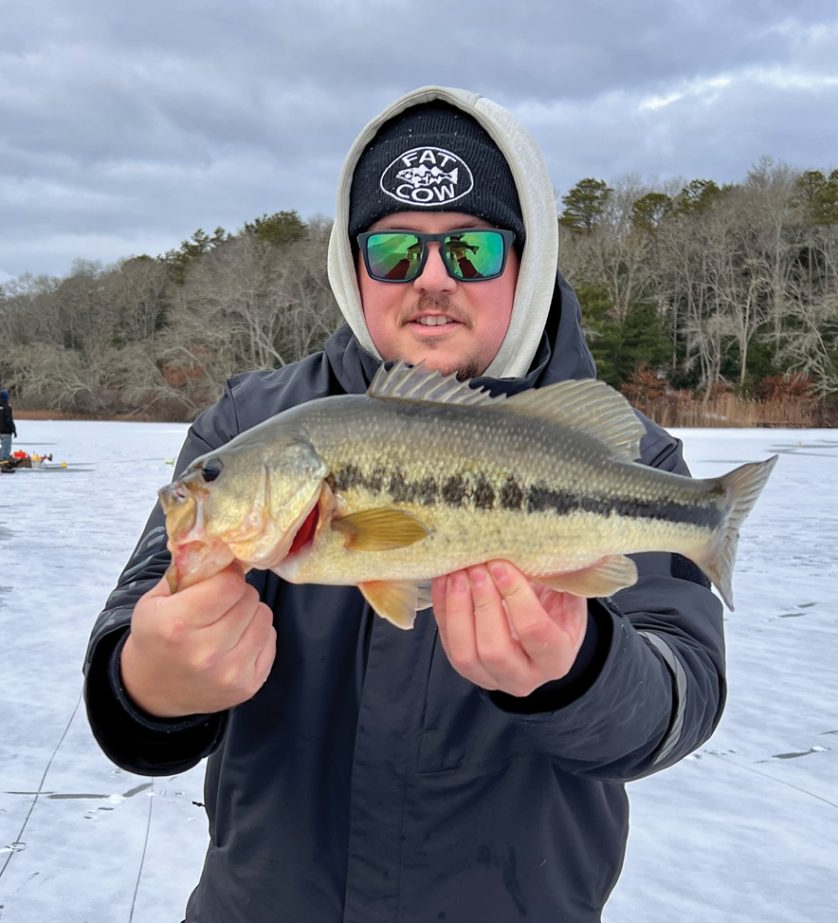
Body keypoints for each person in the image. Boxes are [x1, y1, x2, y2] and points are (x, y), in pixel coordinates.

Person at [83, 86, 726, 923]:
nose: (431, 280)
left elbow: (682, 700)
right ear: (353, 266)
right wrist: (152, 682)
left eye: (470, 249)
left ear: (526, 261)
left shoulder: (633, 459)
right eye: (393, 250)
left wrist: (579, 671)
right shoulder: (247, 425)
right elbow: (132, 635)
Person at [0, 388, 17, 461]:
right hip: (6, 431)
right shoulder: (7, 407)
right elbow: (9, 420)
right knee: (6, 448)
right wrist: (13, 430)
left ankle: (3, 460)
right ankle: (4, 463)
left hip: (0, 430)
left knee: (3, 447)